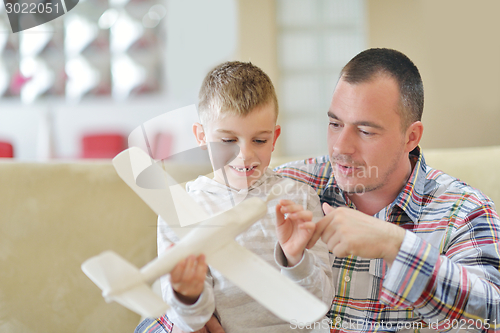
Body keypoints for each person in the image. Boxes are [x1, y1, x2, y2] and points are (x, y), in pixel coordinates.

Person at [274, 48, 500, 331]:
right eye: (334, 123)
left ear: (411, 137)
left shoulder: (466, 211)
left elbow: (492, 315)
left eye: (366, 131)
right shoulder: (289, 186)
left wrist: (395, 246)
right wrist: (200, 305)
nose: (340, 147)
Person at [136, 61, 333, 333]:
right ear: (202, 136)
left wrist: (296, 258)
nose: (245, 155)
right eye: (228, 141)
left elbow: (322, 303)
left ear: (274, 138)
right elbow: (187, 324)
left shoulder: (299, 198)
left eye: (259, 140)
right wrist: (188, 296)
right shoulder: (181, 209)